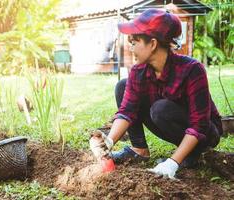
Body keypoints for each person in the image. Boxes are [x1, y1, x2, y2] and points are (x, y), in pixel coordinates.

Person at [89, 9, 223, 179]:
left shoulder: (192, 70)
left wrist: (172, 162)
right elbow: (127, 111)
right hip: (169, 120)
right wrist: (109, 142)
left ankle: (192, 155)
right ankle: (139, 150)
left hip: (205, 134)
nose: (131, 48)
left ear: (152, 44)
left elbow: (200, 125)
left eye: (134, 42)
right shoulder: (139, 71)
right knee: (122, 86)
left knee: (161, 109)